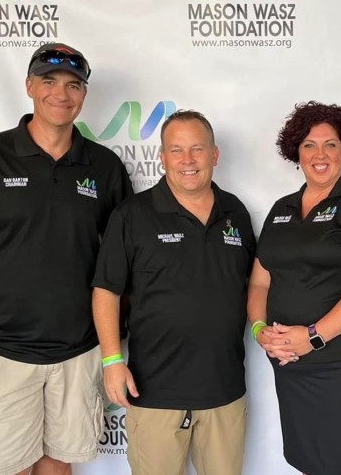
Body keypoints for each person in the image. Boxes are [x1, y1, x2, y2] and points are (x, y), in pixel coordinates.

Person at [0, 43, 132, 475]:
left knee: (58, 466)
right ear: (29, 87)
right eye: (49, 81)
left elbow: (120, 265)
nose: (61, 93)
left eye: (74, 85)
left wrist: (113, 345)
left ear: (84, 94)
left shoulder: (104, 167)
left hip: (77, 352)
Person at [91, 110, 254, 475]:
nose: (187, 160)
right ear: (162, 158)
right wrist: (112, 361)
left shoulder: (236, 213)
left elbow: (254, 285)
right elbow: (106, 291)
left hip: (224, 391)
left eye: (197, 149)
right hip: (154, 392)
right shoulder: (132, 215)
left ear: (214, 154)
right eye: (176, 150)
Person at [247, 101, 341, 475]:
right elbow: (261, 280)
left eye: (330, 145)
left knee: (334, 463)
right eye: (309, 145)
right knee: (305, 459)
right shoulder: (281, 209)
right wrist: (260, 330)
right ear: (296, 151)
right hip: (289, 361)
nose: (320, 155)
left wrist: (312, 338)